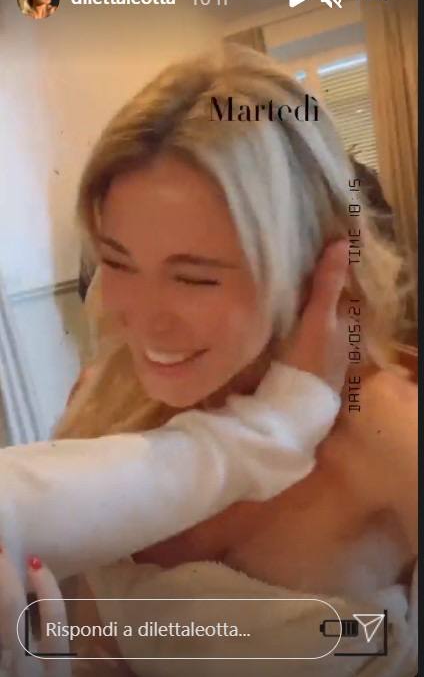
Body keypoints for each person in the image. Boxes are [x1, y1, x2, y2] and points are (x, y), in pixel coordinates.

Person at [0, 45, 417, 673]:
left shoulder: (389, 435)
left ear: (314, 263)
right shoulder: (100, 398)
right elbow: (98, 647)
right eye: (117, 261)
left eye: (195, 278)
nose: (141, 319)